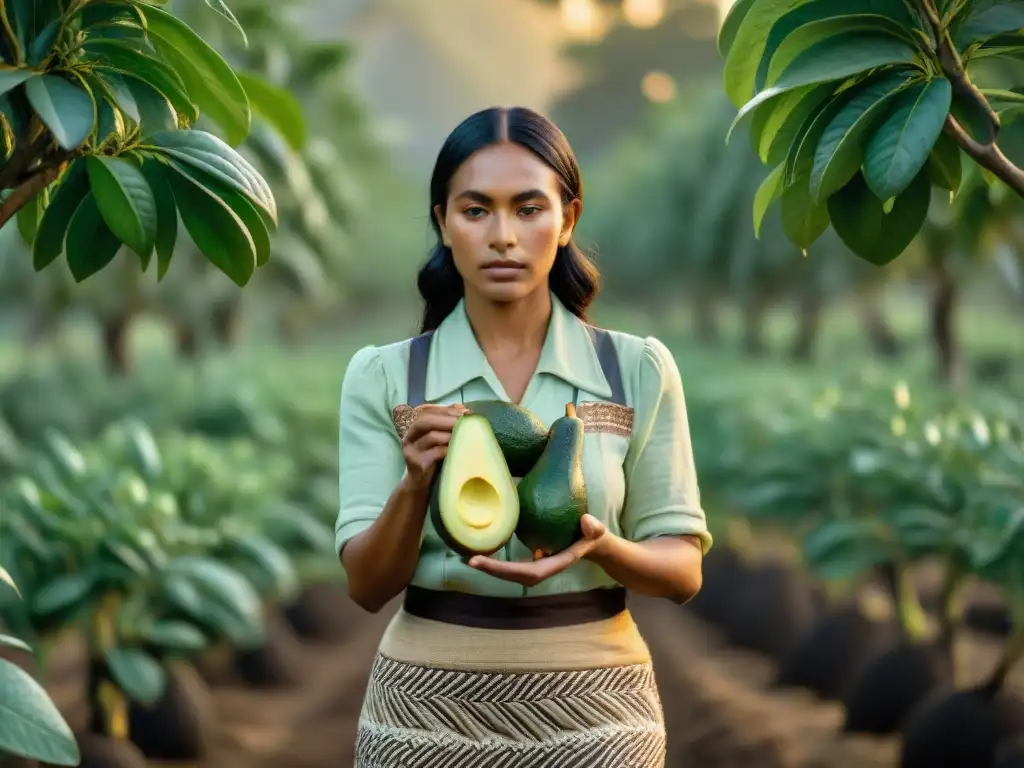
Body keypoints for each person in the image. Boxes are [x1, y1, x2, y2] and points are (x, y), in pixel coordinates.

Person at [335, 105, 711, 767]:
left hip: (600, 715)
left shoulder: (635, 369)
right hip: (424, 714)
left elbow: (683, 570)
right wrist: (415, 483)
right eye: (476, 211)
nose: (502, 236)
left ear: (567, 221)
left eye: (529, 209)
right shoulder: (387, 376)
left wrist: (603, 547)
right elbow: (365, 586)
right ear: (442, 223)